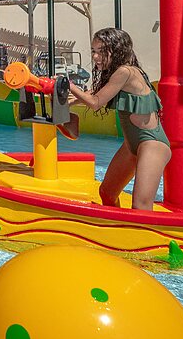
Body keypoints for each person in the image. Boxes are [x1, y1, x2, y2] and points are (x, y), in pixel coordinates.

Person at [66, 27, 172, 211]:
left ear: (117, 51)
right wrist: (71, 102)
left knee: (141, 205)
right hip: (131, 145)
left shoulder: (126, 71)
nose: (95, 57)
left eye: (101, 52)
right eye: (93, 51)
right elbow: (97, 93)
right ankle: (118, 229)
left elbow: (96, 102)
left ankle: (143, 236)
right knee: (107, 193)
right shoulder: (118, 73)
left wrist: (69, 86)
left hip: (152, 144)